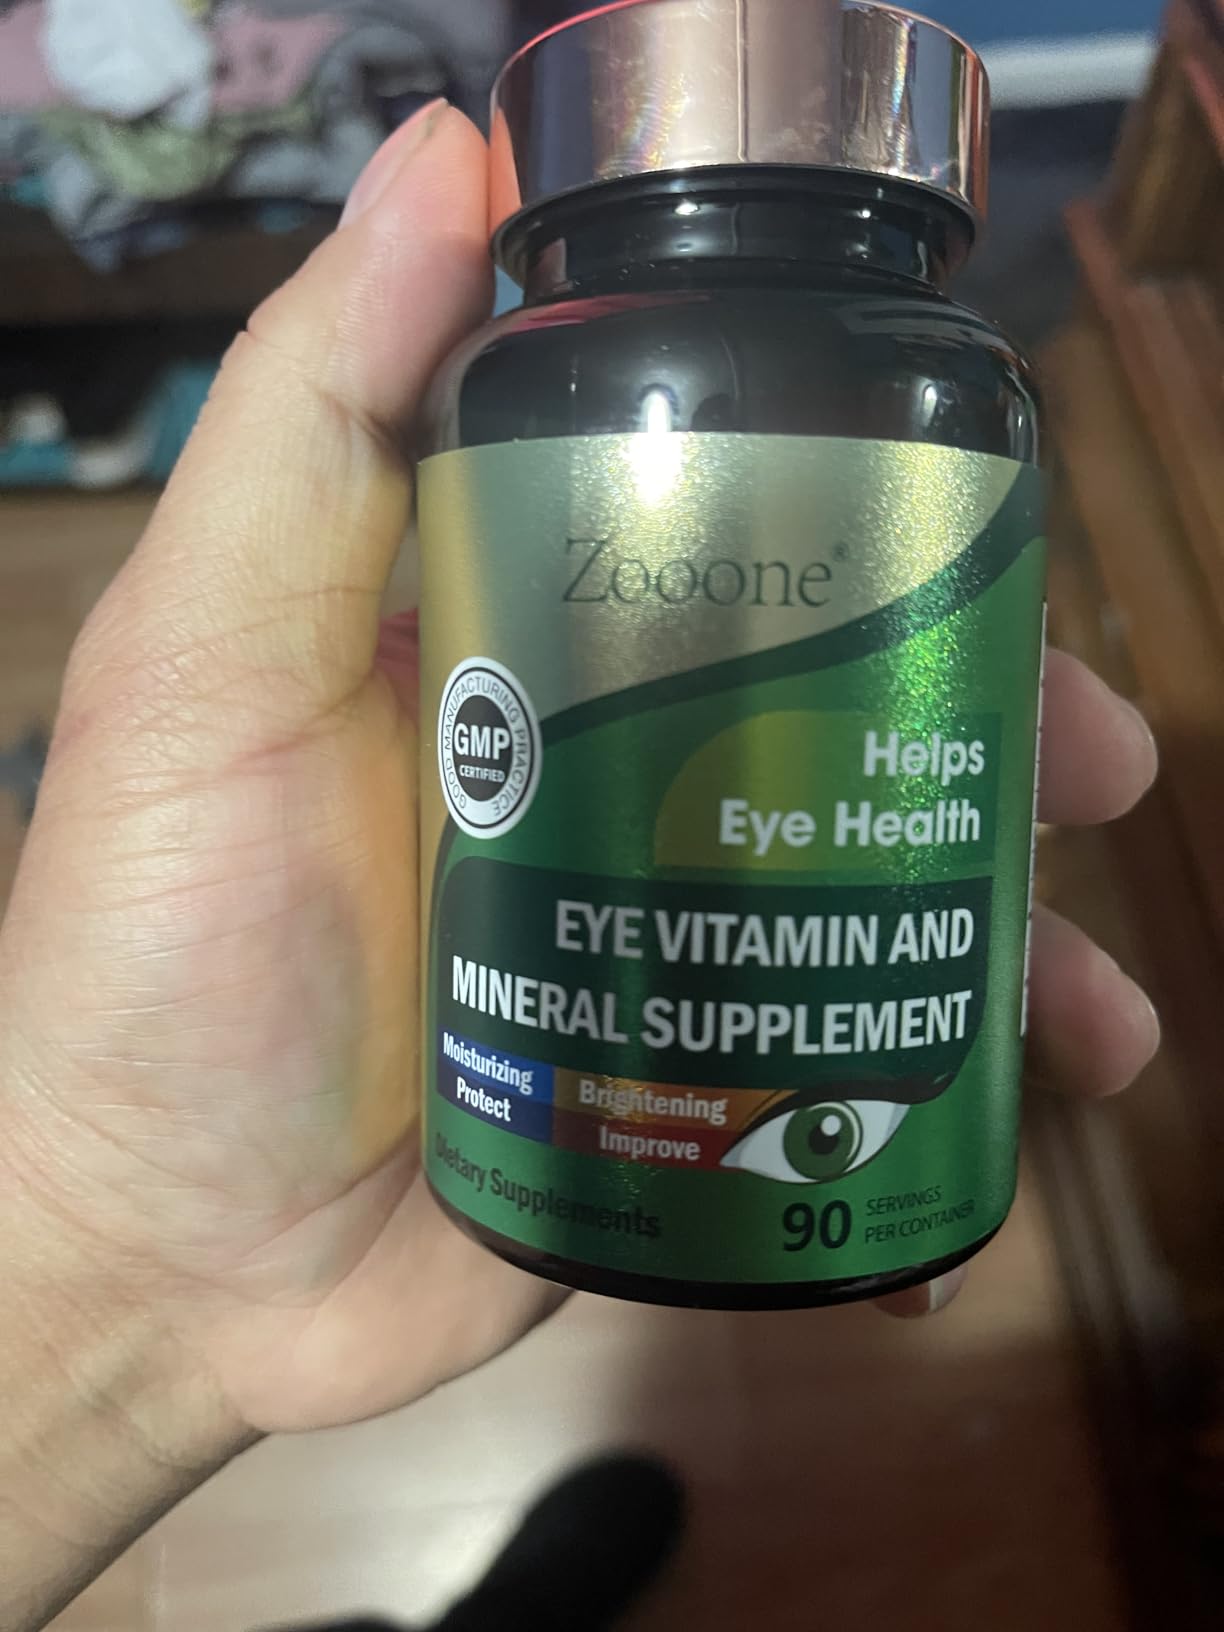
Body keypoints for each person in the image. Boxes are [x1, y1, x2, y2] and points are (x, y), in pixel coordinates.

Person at [0, 104, 1161, 1632]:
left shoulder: (959, 382)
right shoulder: (606, 377)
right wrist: (103, 1251)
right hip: (501, 1116)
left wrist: (103, 1299)